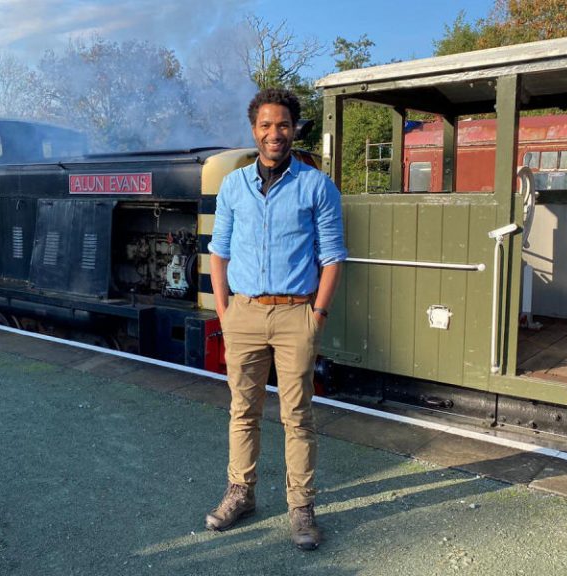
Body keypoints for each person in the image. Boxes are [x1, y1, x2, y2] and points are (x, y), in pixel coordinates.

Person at [205, 88, 347, 550]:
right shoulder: (233, 186)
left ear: (294, 129)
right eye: (266, 125)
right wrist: (225, 312)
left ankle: (301, 508)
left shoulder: (316, 186)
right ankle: (240, 493)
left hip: (295, 316)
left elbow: (332, 257)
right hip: (243, 313)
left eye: (282, 125)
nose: (274, 134)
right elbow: (219, 253)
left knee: (297, 417)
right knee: (241, 412)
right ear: (255, 130)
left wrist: (317, 315)